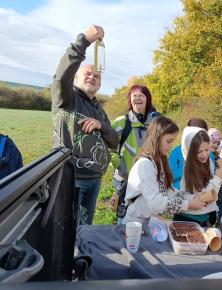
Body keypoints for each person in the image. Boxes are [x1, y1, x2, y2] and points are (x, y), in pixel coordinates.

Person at [51, 25, 119, 226]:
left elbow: (114, 142)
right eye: (87, 74)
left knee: (84, 228)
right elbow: (61, 76)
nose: (92, 77)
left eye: (96, 76)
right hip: (72, 178)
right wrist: (84, 41)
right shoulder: (67, 99)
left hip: (95, 179)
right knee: (66, 230)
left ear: (99, 85)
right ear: (76, 78)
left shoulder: (99, 110)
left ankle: (79, 257)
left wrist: (101, 126)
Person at [122, 116, 207, 224]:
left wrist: (191, 197)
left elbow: (166, 190)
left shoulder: (160, 162)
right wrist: (188, 204)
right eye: (168, 141)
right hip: (135, 224)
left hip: (151, 222)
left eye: (173, 141)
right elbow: (155, 203)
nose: (171, 146)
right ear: (156, 138)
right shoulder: (145, 165)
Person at [110, 85, 160, 224]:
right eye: (134, 96)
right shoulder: (121, 122)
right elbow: (109, 147)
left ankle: (141, 243)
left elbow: (162, 149)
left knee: (146, 213)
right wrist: (120, 166)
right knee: (124, 215)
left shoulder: (156, 124)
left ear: (147, 99)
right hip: (124, 179)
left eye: (142, 95)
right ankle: (120, 243)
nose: (138, 98)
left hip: (149, 178)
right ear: (130, 101)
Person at [173, 127, 222, 226]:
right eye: (199, 152)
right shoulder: (189, 168)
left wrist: (219, 177)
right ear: (190, 151)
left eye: (207, 149)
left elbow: (212, 193)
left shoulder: (208, 162)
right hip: (188, 219)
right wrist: (218, 178)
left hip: (205, 217)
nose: (204, 154)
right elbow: (204, 198)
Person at [169, 118, 209, 190]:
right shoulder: (176, 151)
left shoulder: (208, 153)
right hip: (178, 193)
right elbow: (169, 175)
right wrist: (189, 168)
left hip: (201, 192)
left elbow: (211, 175)